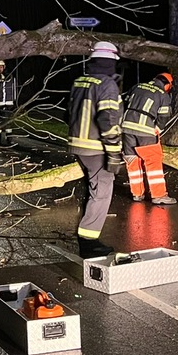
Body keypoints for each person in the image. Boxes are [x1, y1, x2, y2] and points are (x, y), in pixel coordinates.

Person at [68, 41, 124, 258]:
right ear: (111, 63)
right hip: (96, 147)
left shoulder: (80, 81)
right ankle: (89, 243)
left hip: (78, 144)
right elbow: (107, 119)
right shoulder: (106, 84)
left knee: (92, 190)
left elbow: (68, 113)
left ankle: (86, 234)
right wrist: (113, 152)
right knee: (101, 193)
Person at [122, 72, 176, 205]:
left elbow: (124, 102)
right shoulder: (163, 95)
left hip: (126, 128)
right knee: (153, 162)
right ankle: (159, 195)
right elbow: (164, 115)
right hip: (146, 131)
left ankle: (137, 194)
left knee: (132, 161)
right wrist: (158, 129)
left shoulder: (137, 86)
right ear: (167, 85)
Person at [0, 60, 18, 146]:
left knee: (8, 122)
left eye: (1, 67)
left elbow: (12, 87)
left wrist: (14, 100)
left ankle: (9, 139)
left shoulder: (9, 76)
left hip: (8, 103)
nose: (0, 69)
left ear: (4, 67)